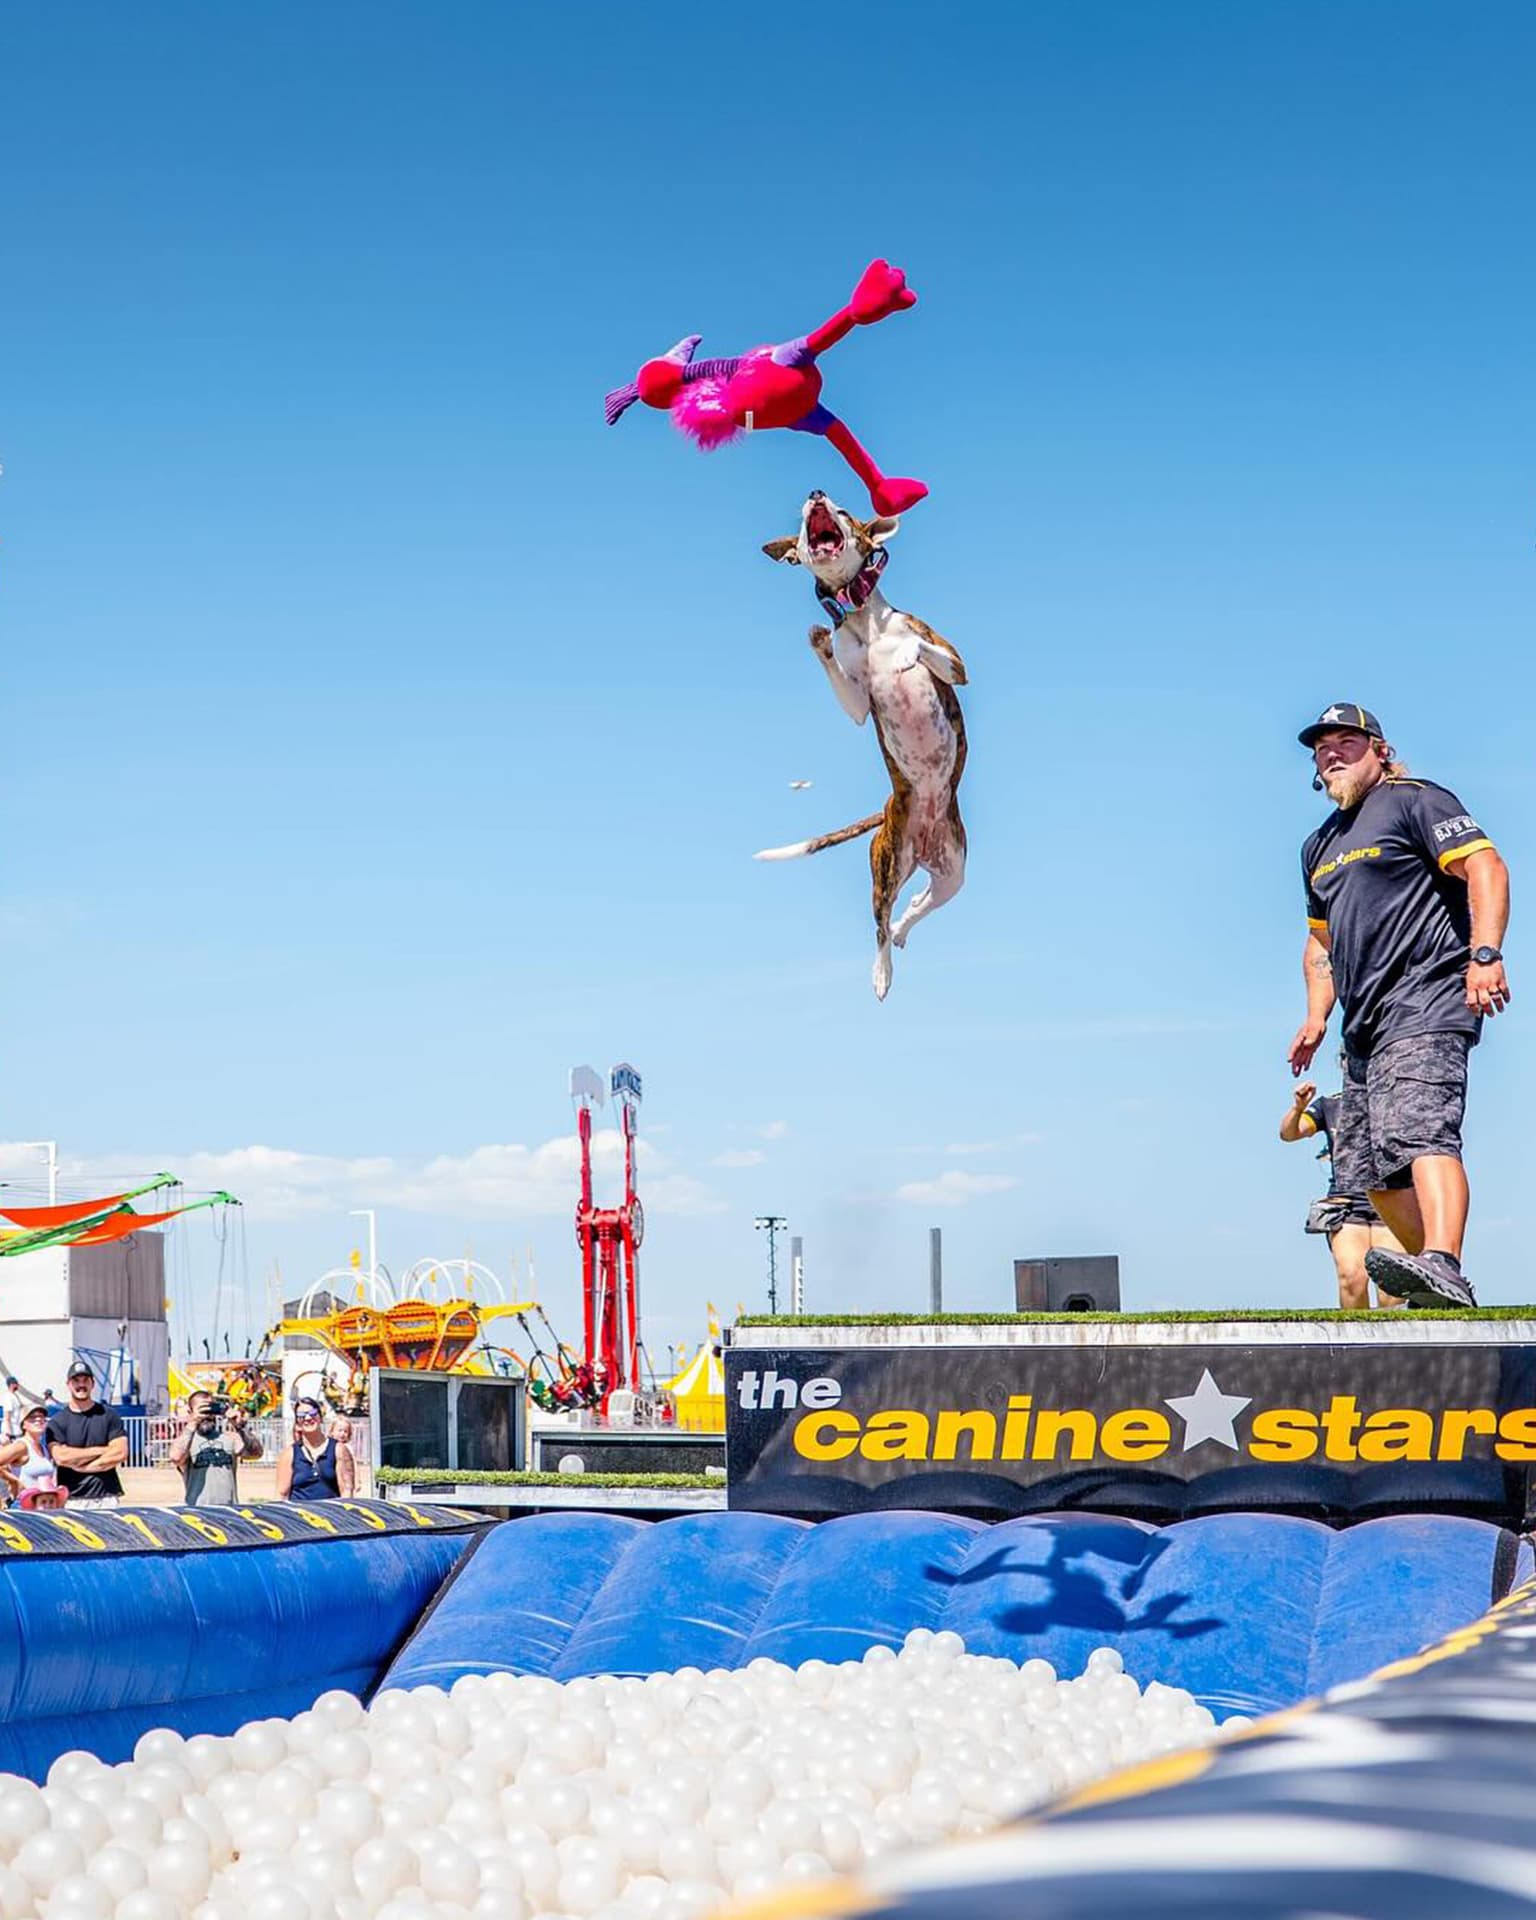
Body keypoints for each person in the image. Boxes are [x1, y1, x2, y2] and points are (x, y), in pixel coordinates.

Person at [1288, 704, 1511, 1308]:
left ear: (1379, 750)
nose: (1332, 753)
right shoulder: (1319, 847)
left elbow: (1486, 867)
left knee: (1423, 1135)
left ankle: (1444, 1261)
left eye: (1347, 741)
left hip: (1428, 997)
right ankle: (1434, 1279)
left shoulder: (1417, 801)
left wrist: (1485, 953)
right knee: (1377, 1175)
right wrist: (1316, 1014)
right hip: (1362, 1027)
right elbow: (1321, 941)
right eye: (1321, 747)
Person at [1279, 1078, 1405, 1309]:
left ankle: (1394, 1344)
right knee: (1352, 1278)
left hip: (1393, 1200)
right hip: (1347, 1204)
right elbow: (1289, 1133)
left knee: (1392, 1289)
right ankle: (1357, 1343)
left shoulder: (1399, 1099)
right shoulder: (1329, 1105)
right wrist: (1298, 1108)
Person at [46, 1360, 129, 1508]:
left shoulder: (109, 1415)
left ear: (93, 1383)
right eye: (76, 1380)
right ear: (68, 1384)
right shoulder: (57, 1422)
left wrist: (84, 1467)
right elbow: (61, 1457)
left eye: (85, 1380)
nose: (81, 1385)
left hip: (106, 1498)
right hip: (71, 1500)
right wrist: (102, 1450)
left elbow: (120, 1453)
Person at [168, 1390, 262, 1507]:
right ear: (190, 1411)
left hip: (228, 1512)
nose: (208, 1415)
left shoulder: (230, 1438)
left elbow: (256, 1453)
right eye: (203, 1409)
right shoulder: (186, 1441)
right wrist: (193, 1421)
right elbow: (176, 1457)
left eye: (210, 1409)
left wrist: (240, 1426)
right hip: (198, 1512)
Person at [275, 1396, 355, 1502]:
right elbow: (281, 1495)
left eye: (312, 1413)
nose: (308, 1418)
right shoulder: (289, 1454)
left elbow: (346, 1491)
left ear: (320, 1417)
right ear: (297, 1422)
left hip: (329, 1515)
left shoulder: (338, 1450)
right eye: (301, 1415)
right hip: (299, 1516)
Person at [0, 1405, 64, 1506]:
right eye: (32, 1417)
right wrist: (13, 1481)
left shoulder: (44, 1448)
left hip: (42, 1506)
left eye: (42, 1417)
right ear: (24, 1425)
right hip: (22, 1507)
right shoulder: (21, 1446)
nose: (38, 1419)